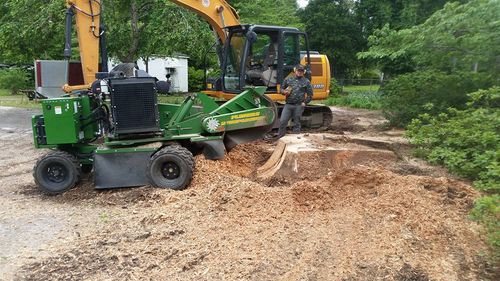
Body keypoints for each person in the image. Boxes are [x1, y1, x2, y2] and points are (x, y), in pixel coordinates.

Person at [277, 64, 313, 138]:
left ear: (304, 72)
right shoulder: (288, 79)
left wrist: (305, 102)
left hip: (298, 105)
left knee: (297, 123)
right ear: (295, 70)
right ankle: (280, 137)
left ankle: (295, 139)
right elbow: (281, 89)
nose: (300, 72)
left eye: (301, 71)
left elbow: (310, 95)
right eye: (298, 70)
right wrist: (284, 92)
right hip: (288, 105)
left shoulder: (306, 82)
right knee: (283, 121)